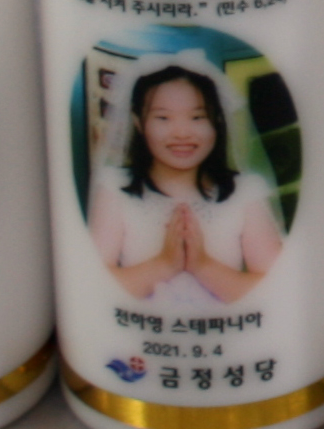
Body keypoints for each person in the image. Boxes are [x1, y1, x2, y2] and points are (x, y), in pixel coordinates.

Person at [89, 61, 286, 311]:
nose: (182, 133)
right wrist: (164, 264)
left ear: (217, 120)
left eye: (197, 117)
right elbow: (93, 287)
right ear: (138, 122)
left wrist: (203, 265)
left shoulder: (245, 191)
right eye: (163, 118)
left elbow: (276, 289)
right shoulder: (115, 187)